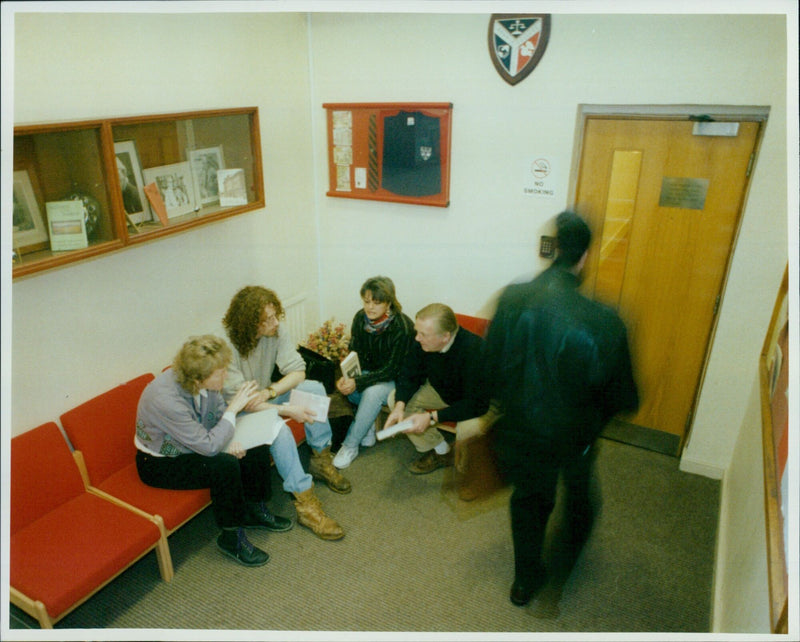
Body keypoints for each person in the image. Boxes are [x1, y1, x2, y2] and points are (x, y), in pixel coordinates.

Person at [483, 210, 639, 606]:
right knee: (581, 498)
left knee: (529, 500)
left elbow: (489, 367)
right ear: (584, 256)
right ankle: (561, 572)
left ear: (552, 250)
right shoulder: (604, 320)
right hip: (573, 436)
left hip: (521, 428)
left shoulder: (513, 298)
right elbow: (624, 399)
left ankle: (524, 581)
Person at [135, 335, 293, 568]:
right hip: (161, 462)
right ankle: (231, 538)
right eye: (220, 373)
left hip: (194, 442)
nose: (225, 376)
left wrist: (231, 429)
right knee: (224, 465)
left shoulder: (202, 382)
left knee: (253, 435)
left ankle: (253, 509)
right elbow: (209, 447)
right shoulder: (165, 399)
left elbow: (219, 414)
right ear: (200, 377)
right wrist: (232, 414)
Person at [221, 285, 353, 500]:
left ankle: (321, 459)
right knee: (278, 430)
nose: (276, 323)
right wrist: (287, 410)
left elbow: (298, 372)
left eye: (275, 316)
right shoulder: (227, 346)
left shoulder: (276, 331)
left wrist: (270, 392)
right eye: (268, 319)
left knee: (315, 389)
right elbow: (243, 403)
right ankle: (303, 496)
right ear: (251, 323)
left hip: (262, 397)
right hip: (237, 411)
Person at [383, 303, 490, 475]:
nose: (417, 338)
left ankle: (468, 468)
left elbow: (477, 403)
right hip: (443, 391)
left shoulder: (475, 351)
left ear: (445, 337)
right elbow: (410, 372)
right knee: (394, 399)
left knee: (468, 434)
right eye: (417, 332)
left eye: (423, 334)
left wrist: (432, 417)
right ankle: (442, 451)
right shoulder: (422, 341)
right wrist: (400, 405)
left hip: (474, 402)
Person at [332, 276, 414, 469]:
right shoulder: (361, 318)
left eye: (377, 303)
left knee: (372, 393)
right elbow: (354, 351)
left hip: (395, 379)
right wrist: (345, 378)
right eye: (367, 301)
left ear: (389, 303)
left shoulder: (401, 327)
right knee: (348, 388)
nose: (370, 308)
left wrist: (359, 382)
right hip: (369, 372)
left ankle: (350, 445)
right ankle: (367, 424)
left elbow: (392, 369)